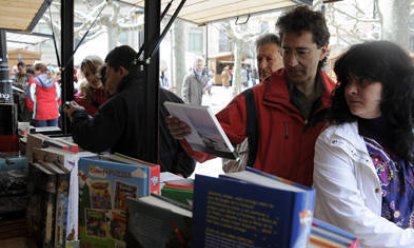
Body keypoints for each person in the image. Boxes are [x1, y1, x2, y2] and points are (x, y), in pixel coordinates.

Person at [166, 6, 335, 187]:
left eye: (302, 52)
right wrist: (187, 132)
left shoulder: (340, 102)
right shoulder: (255, 99)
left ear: (323, 51)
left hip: (319, 211)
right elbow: (210, 143)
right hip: (266, 206)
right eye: (286, 51)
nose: (292, 62)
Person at [313, 41, 414, 248]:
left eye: (363, 80)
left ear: (392, 85)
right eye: (347, 80)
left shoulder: (408, 134)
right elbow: (353, 221)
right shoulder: (334, 142)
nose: (350, 89)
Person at [64, 45, 195, 177]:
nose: (105, 82)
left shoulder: (117, 104)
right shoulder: (173, 99)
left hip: (132, 182)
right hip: (170, 184)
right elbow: (189, 146)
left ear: (120, 71)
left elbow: (94, 139)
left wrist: (77, 114)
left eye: (108, 74)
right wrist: (178, 174)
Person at [222, 33, 284, 173]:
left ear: (284, 59)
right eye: (259, 59)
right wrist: (236, 172)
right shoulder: (249, 100)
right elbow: (225, 142)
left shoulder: (288, 105)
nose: (262, 65)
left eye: (269, 59)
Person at [26, 62, 61, 127]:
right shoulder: (54, 81)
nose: (34, 73)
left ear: (39, 70)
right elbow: (58, 95)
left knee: (42, 134)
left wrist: (33, 107)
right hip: (53, 110)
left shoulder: (33, 81)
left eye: (35, 71)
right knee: (53, 133)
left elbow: (30, 97)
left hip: (40, 111)